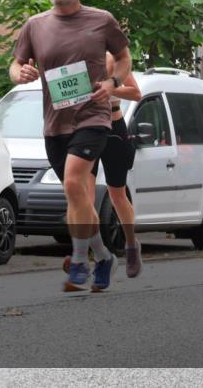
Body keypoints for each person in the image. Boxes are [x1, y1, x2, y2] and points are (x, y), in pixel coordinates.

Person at [9, 0, 132, 292]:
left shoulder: (101, 20)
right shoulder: (34, 26)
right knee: (76, 195)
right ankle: (104, 256)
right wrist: (19, 74)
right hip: (55, 123)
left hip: (93, 117)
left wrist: (112, 82)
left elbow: (123, 57)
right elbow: (16, 63)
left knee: (75, 182)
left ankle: (79, 261)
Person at [61, 51, 143, 278]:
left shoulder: (114, 60)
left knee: (117, 195)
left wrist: (107, 89)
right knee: (83, 197)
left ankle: (131, 245)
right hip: (86, 130)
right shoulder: (75, 62)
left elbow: (136, 93)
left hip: (113, 130)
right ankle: (84, 254)